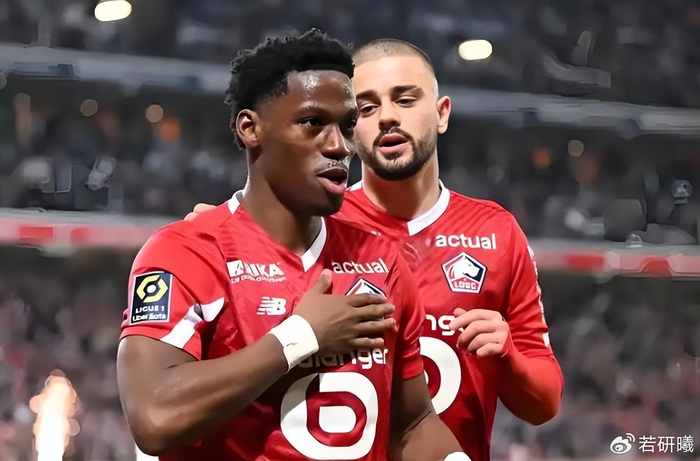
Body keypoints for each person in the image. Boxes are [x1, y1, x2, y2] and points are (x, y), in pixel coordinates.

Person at [189, 38, 564, 461]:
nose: (387, 116)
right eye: (366, 108)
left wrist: (508, 357)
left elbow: (544, 403)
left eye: (405, 100)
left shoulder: (497, 233)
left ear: (441, 113)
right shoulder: (310, 224)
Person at [117, 30, 466, 461]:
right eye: (313, 123)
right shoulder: (188, 252)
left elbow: (413, 424)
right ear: (251, 128)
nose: (338, 146)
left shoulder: (381, 261)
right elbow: (153, 416)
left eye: (347, 126)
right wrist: (301, 337)